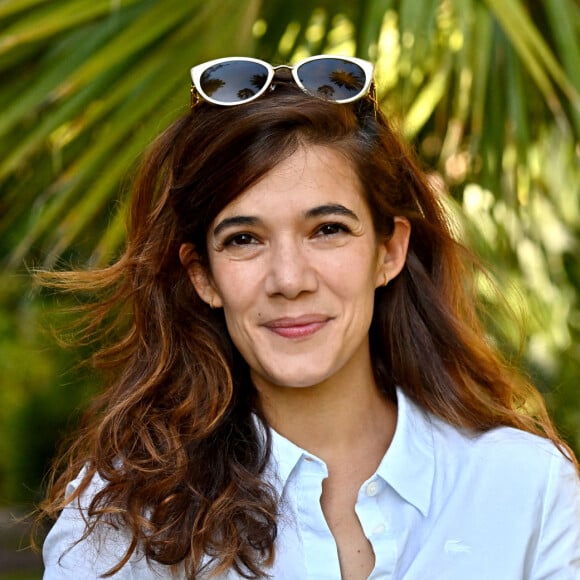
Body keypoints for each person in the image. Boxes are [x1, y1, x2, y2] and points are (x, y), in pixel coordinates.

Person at [38, 55, 579, 579]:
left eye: (328, 230)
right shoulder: (127, 519)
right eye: (244, 239)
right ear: (203, 276)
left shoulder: (526, 486)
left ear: (388, 252)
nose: (290, 279)